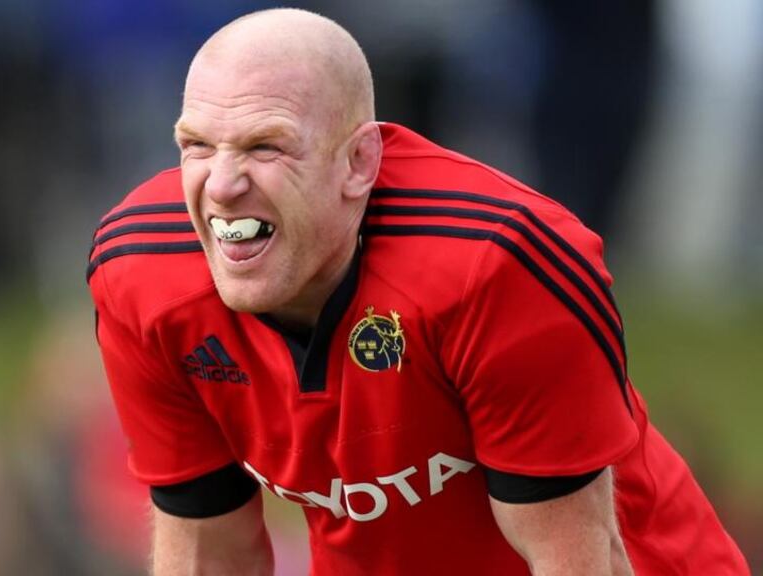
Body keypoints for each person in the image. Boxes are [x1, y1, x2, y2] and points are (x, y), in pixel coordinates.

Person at [87, 8, 749, 575]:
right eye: (197, 146)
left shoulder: (494, 265)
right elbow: (209, 553)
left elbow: (579, 555)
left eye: (266, 147)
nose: (223, 185)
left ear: (359, 163)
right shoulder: (141, 273)